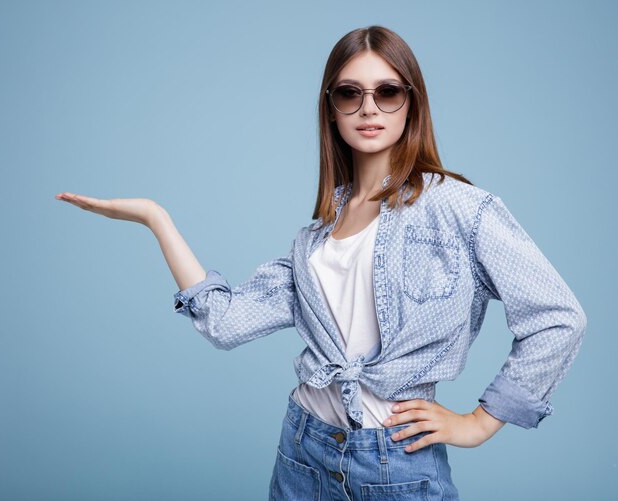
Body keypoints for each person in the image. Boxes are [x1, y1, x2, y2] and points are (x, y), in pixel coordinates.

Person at [56, 25, 587, 501]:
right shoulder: (314, 240)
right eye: (350, 93)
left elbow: (558, 318)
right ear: (331, 107)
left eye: (387, 92)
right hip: (302, 449)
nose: (369, 108)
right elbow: (225, 323)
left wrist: (479, 422)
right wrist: (156, 218)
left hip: (396, 463)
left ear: (411, 103)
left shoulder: (459, 208)